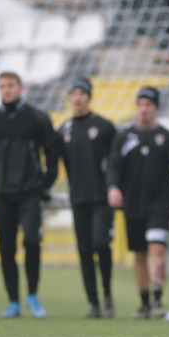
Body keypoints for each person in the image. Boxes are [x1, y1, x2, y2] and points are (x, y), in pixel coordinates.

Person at [0, 72, 59, 318]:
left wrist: (45, 183)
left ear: (21, 87)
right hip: (3, 194)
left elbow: (52, 152)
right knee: (6, 249)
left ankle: (33, 295)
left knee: (31, 241)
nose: (6, 90)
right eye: (2, 86)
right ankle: (13, 301)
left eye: (10, 86)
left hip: (29, 193)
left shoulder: (37, 118)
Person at [107, 87, 169, 320]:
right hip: (133, 203)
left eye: (148, 104)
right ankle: (144, 304)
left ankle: (158, 301)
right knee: (139, 254)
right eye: (140, 104)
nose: (143, 108)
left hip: (160, 203)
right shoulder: (124, 137)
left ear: (156, 107)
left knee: (157, 248)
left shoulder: (168, 138)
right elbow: (113, 168)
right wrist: (113, 188)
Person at [57, 79, 117, 318]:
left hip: (101, 199)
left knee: (100, 244)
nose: (78, 98)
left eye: (82, 93)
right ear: (70, 97)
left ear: (89, 96)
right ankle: (93, 303)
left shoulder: (104, 127)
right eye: (74, 93)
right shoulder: (64, 129)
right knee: (83, 251)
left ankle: (107, 293)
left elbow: (115, 163)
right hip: (78, 198)